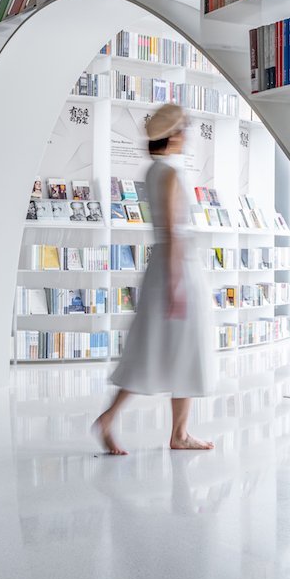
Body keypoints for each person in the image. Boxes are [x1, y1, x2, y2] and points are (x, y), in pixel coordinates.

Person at [94, 103, 216, 455]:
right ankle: (179, 434)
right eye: (184, 129)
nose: (187, 135)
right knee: (186, 349)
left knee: (149, 348)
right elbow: (174, 230)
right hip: (179, 269)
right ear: (174, 135)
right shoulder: (172, 173)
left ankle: (112, 417)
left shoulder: (152, 171)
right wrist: (177, 285)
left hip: (160, 266)